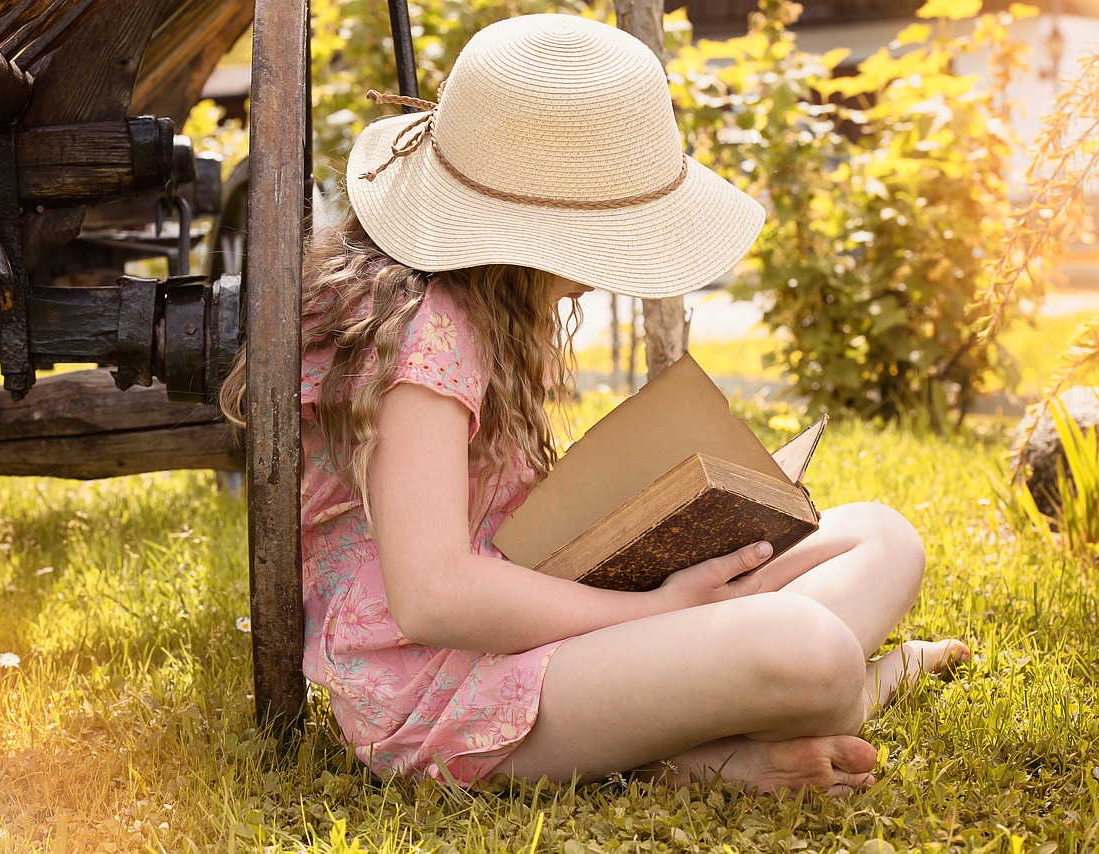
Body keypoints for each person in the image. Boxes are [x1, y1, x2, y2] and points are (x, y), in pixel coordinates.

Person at [218, 13, 968, 795]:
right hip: (446, 687)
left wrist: (663, 553)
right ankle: (719, 748)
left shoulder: (483, 306)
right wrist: (660, 612)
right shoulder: (424, 334)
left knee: (882, 538)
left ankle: (742, 708)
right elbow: (434, 597)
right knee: (809, 653)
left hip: (538, 616)